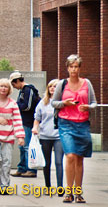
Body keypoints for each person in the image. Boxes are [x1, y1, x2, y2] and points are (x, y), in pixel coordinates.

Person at [51, 54, 96, 203]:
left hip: (82, 124)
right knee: (70, 155)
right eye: (71, 67)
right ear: (67, 68)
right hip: (66, 123)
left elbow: (94, 103)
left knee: (79, 159)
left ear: (79, 68)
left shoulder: (86, 83)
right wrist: (65, 103)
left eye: (76, 66)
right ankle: (68, 192)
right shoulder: (62, 84)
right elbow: (53, 102)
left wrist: (88, 107)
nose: (74, 69)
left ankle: (78, 192)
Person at [32, 79, 63, 190]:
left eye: (55, 86)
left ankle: (60, 187)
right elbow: (37, 118)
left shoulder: (62, 102)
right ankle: (48, 186)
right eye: (50, 86)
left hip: (59, 136)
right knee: (47, 162)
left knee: (59, 161)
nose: (52, 88)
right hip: (45, 136)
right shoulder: (43, 102)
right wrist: (35, 128)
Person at [9, 70, 40, 178]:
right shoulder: (22, 91)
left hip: (28, 121)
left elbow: (28, 106)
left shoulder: (29, 90)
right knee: (22, 146)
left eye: (13, 84)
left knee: (26, 146)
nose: (13, 86)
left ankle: (30, 169)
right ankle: (22, 168)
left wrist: (17, 105)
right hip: (22, 121)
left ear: (17, 81)